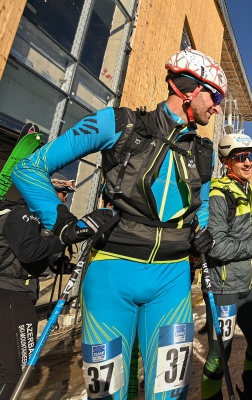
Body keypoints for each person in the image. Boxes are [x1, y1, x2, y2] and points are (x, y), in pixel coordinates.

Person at [12, 48, 222, 399]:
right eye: (215, 96)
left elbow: (197, 207)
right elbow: (29, 169)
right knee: (107, 395)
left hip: (172, 282)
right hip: (112, 276)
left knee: (170, 394)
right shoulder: (118, 123)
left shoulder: (202, 151)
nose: (217, 107)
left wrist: (205, 233)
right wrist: (65, 224)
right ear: (189, 88)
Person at [201, 133, 252, 400]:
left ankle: (250, 390)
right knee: (219, 354)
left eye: (251, 156)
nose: (248, 163)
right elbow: (217, 246)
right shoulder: (218, 192)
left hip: (247, 288)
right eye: (240, 157)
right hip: (223, 288)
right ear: (226, 161)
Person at [0, 174, 74, 400]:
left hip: (14, 292)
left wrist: (57, 263)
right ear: (46, 192)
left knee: (8, 365)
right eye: (62, 194)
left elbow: (26, 256)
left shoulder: (30, 217)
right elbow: (27, 251)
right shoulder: (25, 214)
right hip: (12, 294)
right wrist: (65, 238)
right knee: (18, 368)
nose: (63, 201)